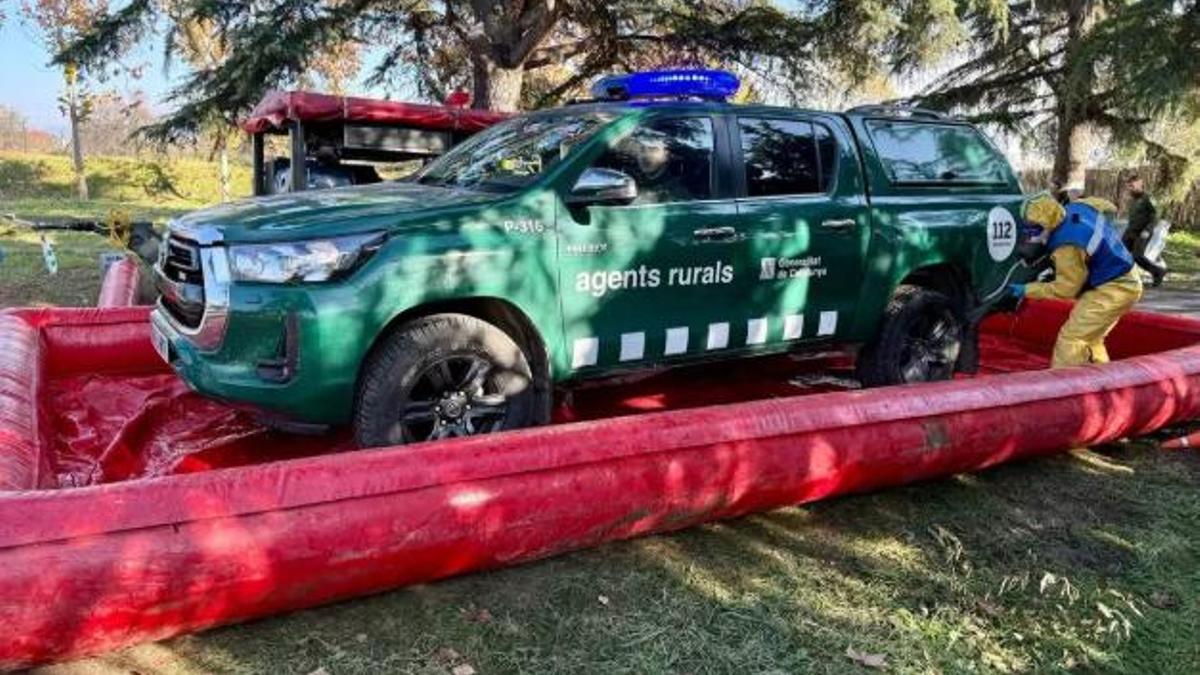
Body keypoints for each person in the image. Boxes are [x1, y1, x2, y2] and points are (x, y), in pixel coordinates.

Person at [1007, 193, 1142, 367]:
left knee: (1072, 338)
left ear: (1048, 225)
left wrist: (1026, 289)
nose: (1031, 237)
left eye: (1034, 231)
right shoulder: (1077, 207)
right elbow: (1107, 205)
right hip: (1128, 278)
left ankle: (1065, 387)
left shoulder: (1066, 245)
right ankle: (1102, 379)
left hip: (1112, 289)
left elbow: (1067, 288)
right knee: (1091, 337)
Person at [1122, 174, 1167, 287]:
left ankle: (1158, 272)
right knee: (1120, 253)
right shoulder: (1133, 200)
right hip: (1131, 231)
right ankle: (1117, 278)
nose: (1130, 189)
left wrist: (1147, 230)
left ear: (1140, 184)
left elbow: (1155, 216)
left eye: (1132, 186)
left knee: (1137, 256)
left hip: (1142, 232)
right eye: (1129, 186)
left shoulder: (1148, 198)